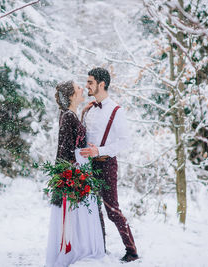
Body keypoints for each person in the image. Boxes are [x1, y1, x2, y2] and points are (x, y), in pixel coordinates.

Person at [80, 67, 139, 262]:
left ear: (101, 84)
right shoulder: (88, 108)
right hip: (87, 166)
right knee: (91, 209)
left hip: (106, 165)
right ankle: (99, 249)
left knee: (112, 210)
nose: (86, 85)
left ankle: (132, 251)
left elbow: (124, 142)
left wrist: (100, 150)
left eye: (90, 82)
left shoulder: (117, 111)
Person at [45, 81, 105, 267]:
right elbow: (65, 147)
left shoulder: (69, 115)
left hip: (80, 165)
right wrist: (72, 172)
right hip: (76, 168)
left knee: (81, 211)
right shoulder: (68, 117)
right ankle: (79, 249)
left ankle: (81, 247)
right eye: (79, 88)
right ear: (71, 96)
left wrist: (83, 113)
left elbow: (73, 136)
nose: (82, 89)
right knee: (78, 210)